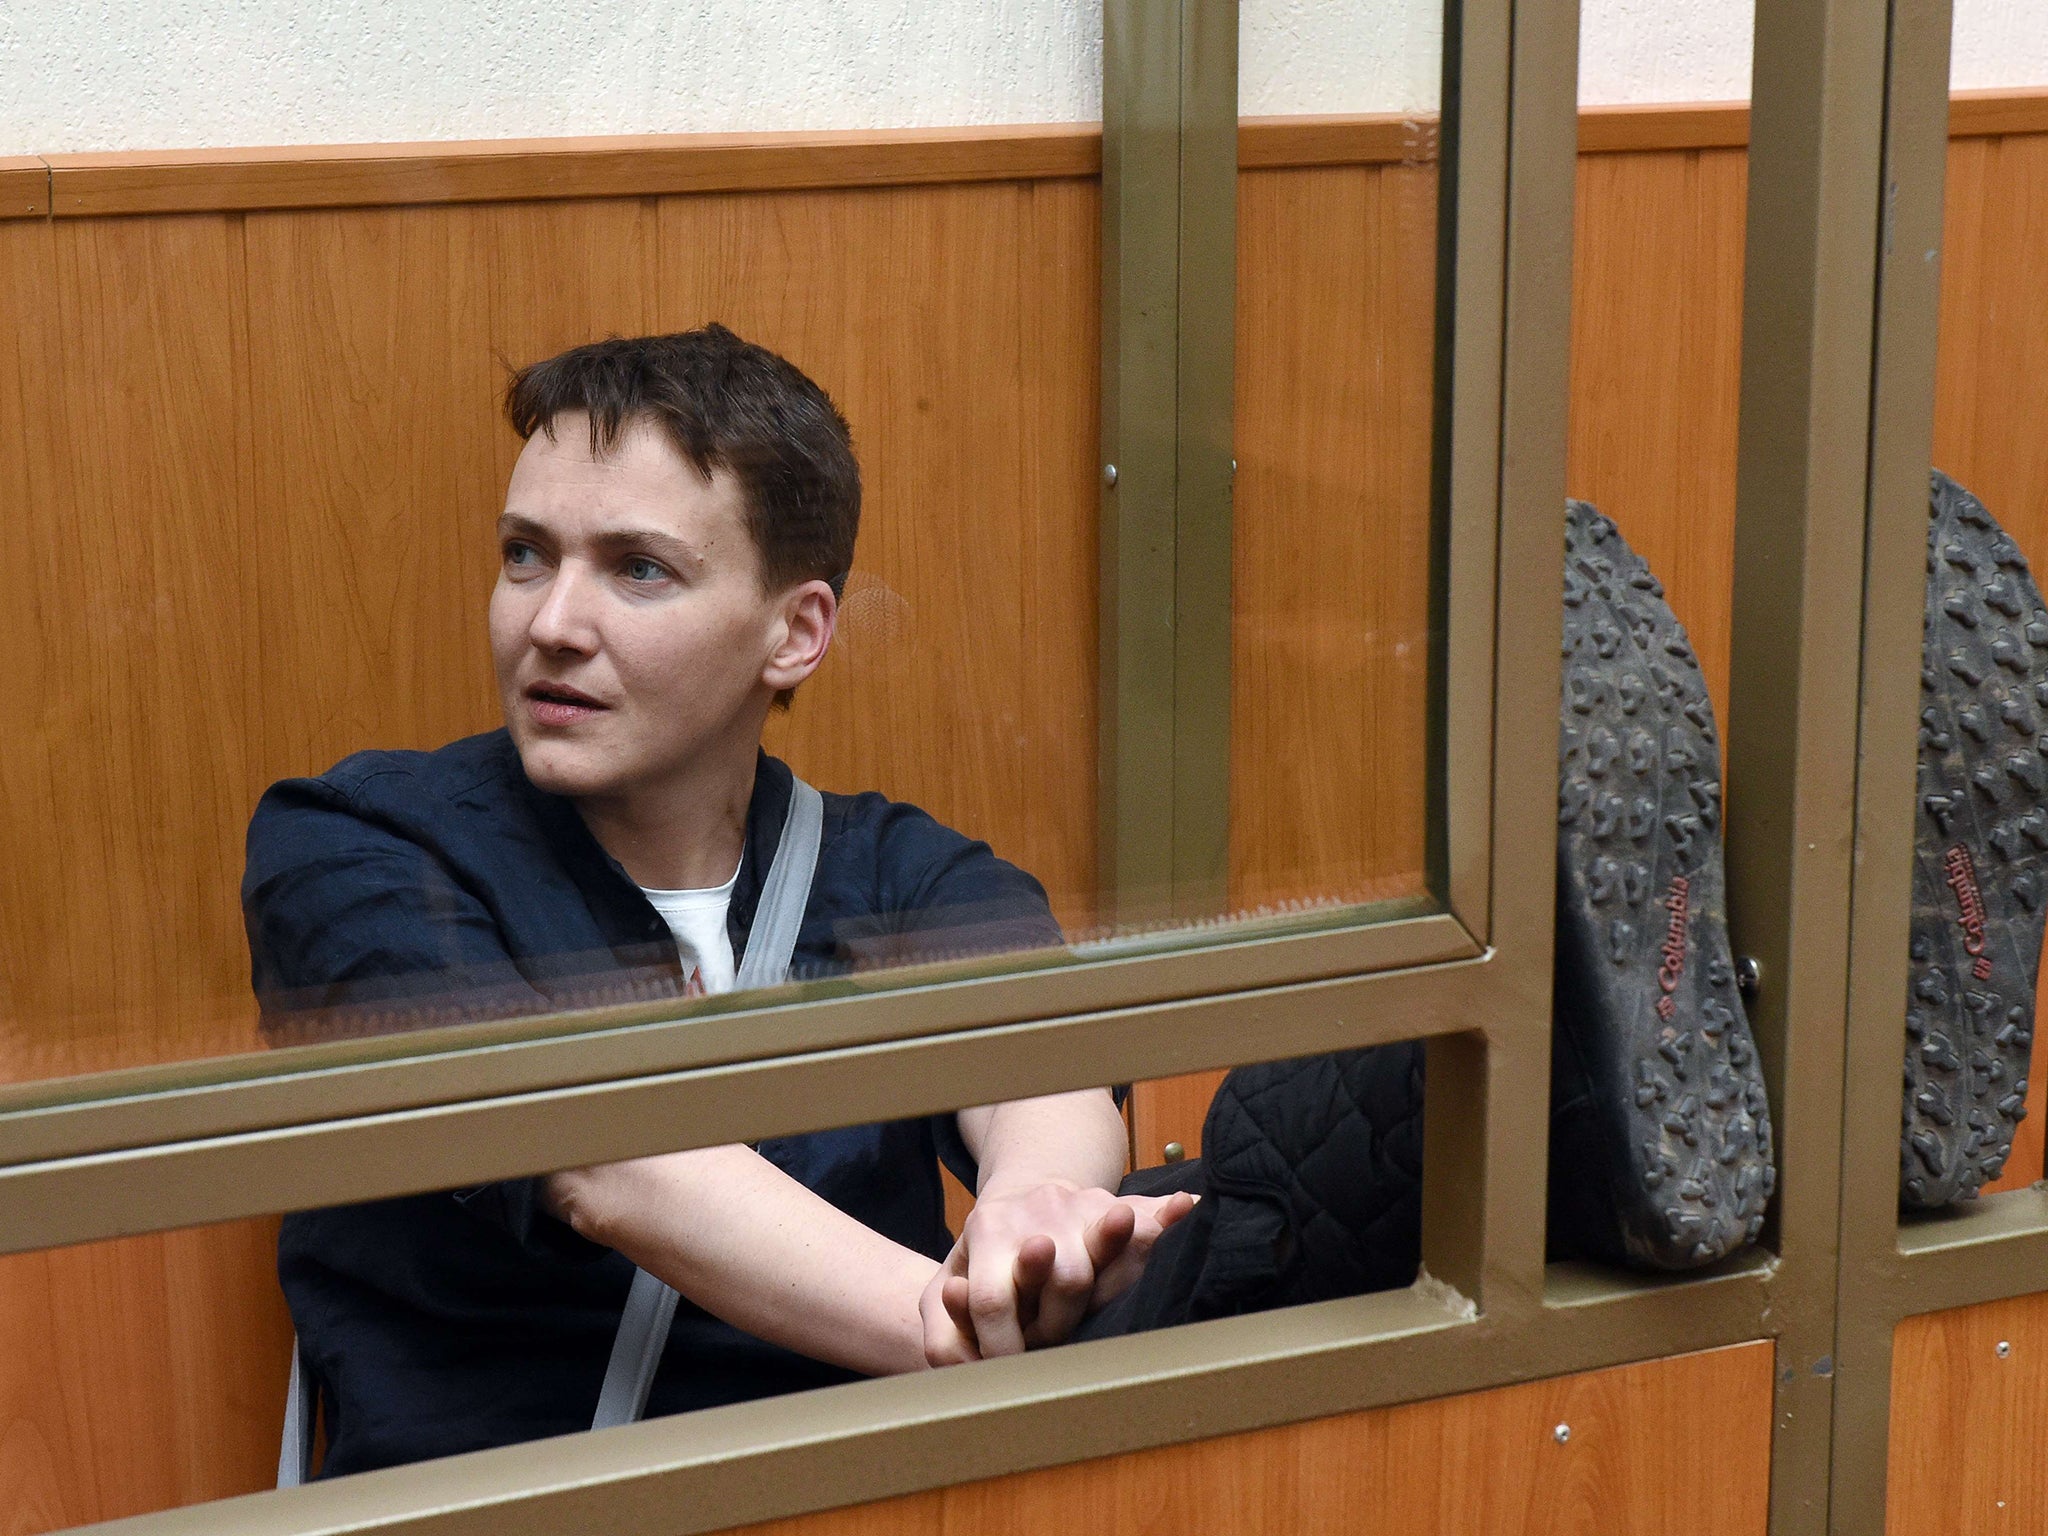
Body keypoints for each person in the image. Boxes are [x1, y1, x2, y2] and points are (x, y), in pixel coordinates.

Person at [244, 326, 1198, 1477]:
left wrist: (1034, 1218)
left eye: (636, 569)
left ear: (793, 634)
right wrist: (946, 1327)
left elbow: (1046, 1062)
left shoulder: (900, 868)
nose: (550, 623)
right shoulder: (354, 846)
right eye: (525, 555)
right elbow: (599, 1158)